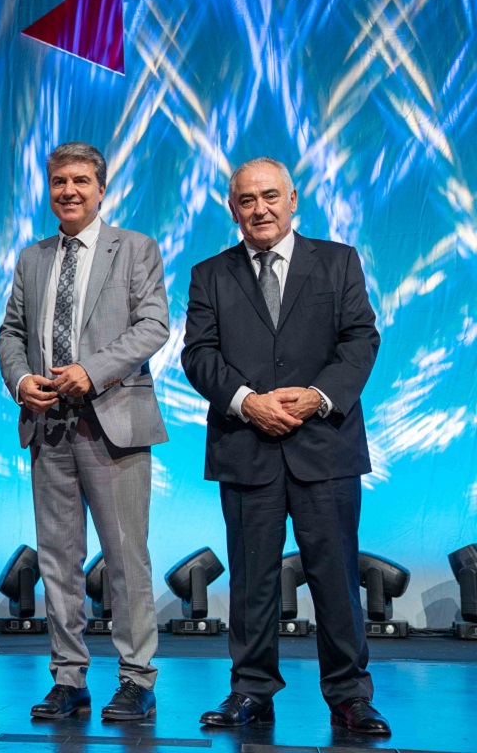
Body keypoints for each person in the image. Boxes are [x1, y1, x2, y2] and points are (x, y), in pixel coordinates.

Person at [181, 157, 388, 734]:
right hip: (246, 445)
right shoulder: (209, 274)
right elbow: (198, 354)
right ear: (232, 209)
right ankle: (251, 690)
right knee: (251, 581)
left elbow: (360, 339)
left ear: (293, 199)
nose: (260, 209)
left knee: (336, 577)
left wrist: (318, 396)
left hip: (325, 444)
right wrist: (247, 401)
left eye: (270, 196)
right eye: (247, 200)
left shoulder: (338, 261)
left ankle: (349, 695)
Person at [0, 141, 169, 721]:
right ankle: (68, 678)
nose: (68, 191)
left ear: (101, 189)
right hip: (48, 426)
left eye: (79, 181)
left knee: (125, 560)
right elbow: (11, 332)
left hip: (113, 424)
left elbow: (154, 325)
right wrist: (22, 381)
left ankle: (137, 678)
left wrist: (91, 372)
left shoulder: (135, 248)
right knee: (57, 562)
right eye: (58, 182)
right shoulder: (33, 256)